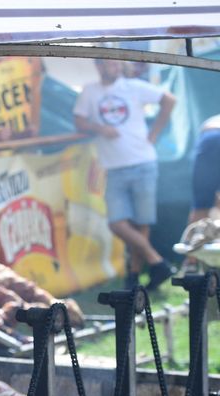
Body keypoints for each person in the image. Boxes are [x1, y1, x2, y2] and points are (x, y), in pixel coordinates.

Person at [74, 58, 177, 291]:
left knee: (141, 223)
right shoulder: (90, 91)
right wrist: (100, 128)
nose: (116, 67)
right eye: (110, 64)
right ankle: (157, 262)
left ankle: (134, 276)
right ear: (99, 66)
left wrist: (154, 133)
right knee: (117, 223)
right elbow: (79, 120)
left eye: (116, 63)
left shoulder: (133, 86)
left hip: (142, 161)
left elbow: (169, 99)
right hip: (113, 167)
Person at [188, 115, 220, 224]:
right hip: (213, 135)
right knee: (202, 206)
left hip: (211, 134)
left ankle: (195, 234)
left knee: (201, 207)